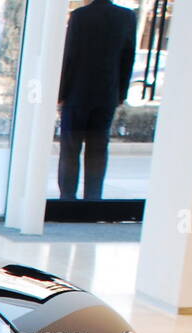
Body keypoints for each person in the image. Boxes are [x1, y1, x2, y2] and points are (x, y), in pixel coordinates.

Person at [58, 0, 137, 200]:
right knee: (98, 149)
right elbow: (128, 58)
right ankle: (93, 199)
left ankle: (68, 199)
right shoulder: (126, 17)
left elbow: (70, 56)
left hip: (77, 93)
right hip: (106, 94)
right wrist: (120, 94)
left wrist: (61, 94)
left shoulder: (80, 16)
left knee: (70, 149)